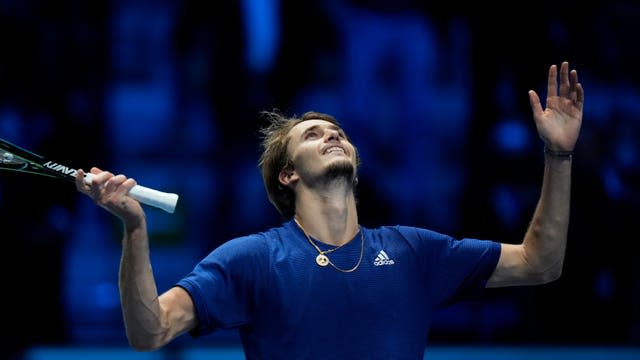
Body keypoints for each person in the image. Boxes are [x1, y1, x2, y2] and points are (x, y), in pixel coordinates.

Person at [75, 61, 584, 359]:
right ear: (287, 175)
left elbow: (541, 263)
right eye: (312, 135)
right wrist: (135, 229)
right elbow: (149, 332)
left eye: (337, 132)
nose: (332, 135)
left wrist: (558, 155)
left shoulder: (415, 251)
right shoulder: (251, 259)